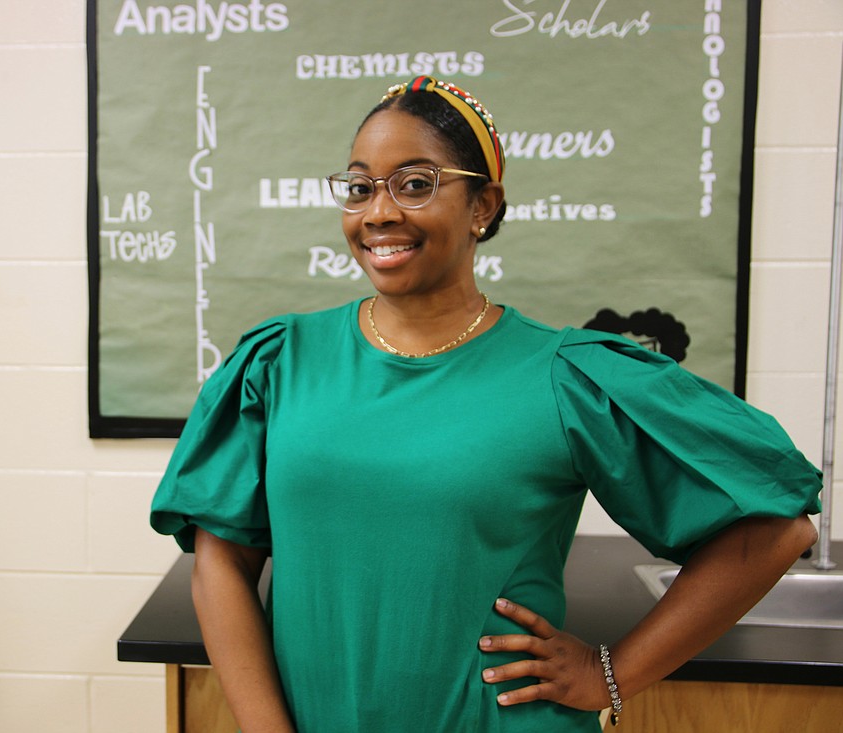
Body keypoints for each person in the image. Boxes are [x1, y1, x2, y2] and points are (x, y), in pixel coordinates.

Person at [150, 76, 821, 732]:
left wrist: (609, 672)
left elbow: (776, 526)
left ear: (483, 207)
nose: (379, 212)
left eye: (416, 184)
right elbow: (220, 563)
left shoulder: (565, 376)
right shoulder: (279, 362)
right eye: (359, 187)